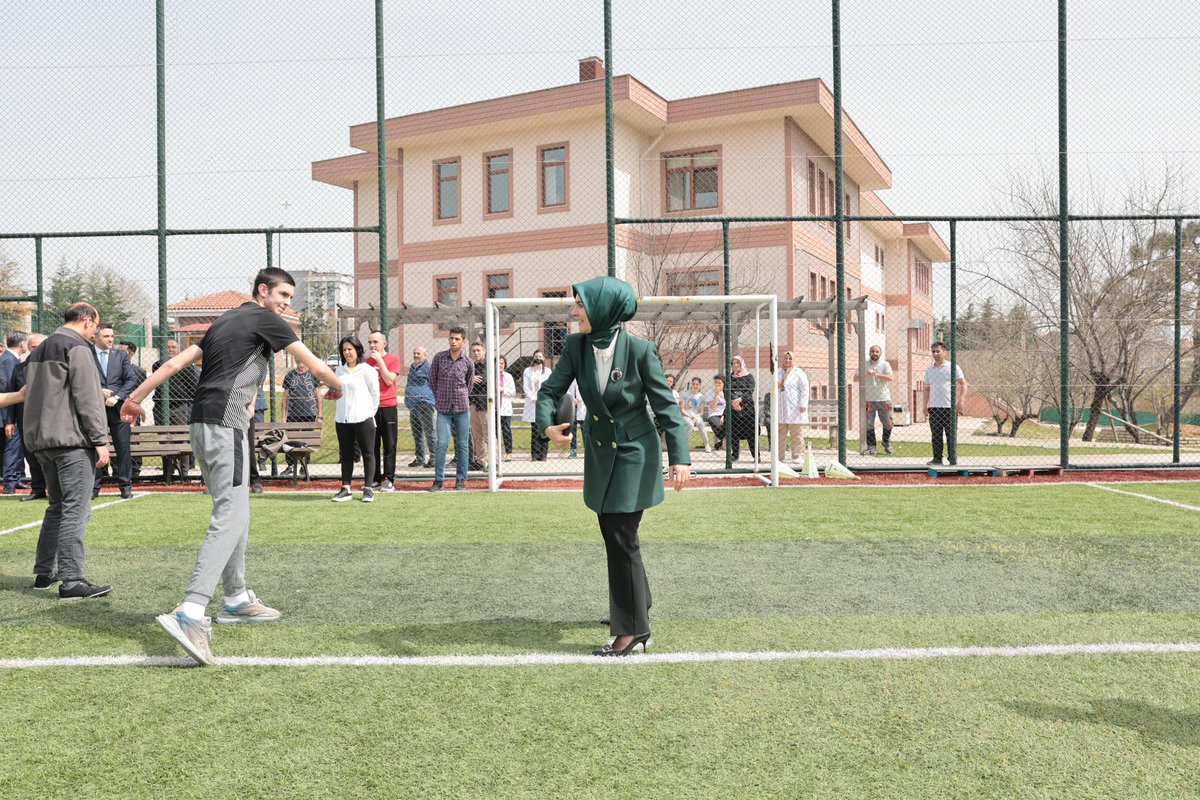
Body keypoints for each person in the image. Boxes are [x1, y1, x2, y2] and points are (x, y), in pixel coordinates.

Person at [122, 267, 341, 666]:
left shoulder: (223, 322)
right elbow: (315, 365)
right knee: (230, 513)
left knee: (236, 509)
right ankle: (191, 610)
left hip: (202, 424)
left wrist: (135, 398)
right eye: (283, 295)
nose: (287, 304)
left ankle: (236, 597)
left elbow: (170, 367)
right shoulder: (264, 319)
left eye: (290, 298)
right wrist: (339, 385)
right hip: (227, 424)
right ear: (262, 290)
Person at [537, 277, 690, 656]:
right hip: (603, 453)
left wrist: (681, 457)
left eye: (580, 305)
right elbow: (549, 391)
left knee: (621, 534)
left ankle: (634, 629)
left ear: (604, 307)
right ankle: (639, 600)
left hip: (636, 451)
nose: (574, 312)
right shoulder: (576, 346)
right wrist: (547, 426)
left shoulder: (640, 350)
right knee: (616, 533)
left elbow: (666, 407)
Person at [22, 303, 113, 598]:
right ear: (87, 321)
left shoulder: (40, 348)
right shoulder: (78, 348)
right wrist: (101, 440)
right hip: (71, 442)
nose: (96, 331)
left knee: (57, 508)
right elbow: (87, 399)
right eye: (96, 326)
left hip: (41, 441)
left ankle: (44, 573)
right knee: (76, 508)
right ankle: (72, 580)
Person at [328, 335, 380, 503]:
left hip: (363, 418)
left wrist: (369, 414)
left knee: (368, 453)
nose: (347, 352)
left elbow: (375, 395)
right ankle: (346, 488)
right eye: (344, 350)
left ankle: (368, 488)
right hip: (342, 420)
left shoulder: (367, 370)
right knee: (346, 454)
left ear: (358, 350)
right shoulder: (339, 370)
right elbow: (336, 392)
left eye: (350, 349)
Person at [92, 324, 137, 499]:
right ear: (96, 337)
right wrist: (97, 391)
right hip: (94, 409)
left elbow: (131, 379)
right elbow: (78, 378)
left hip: (118, 409)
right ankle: (94, 488)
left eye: (112, 336)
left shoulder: (120, 356)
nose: (110, 339)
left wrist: (117, 397)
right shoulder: (86, 355)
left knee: (123, 448)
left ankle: (125, 487)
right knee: (94, 448)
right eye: (106, 336)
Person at [427, 326, 473, 491]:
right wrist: (440, 397)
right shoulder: (439, 358)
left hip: (462, 408)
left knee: (462, 444)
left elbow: (469, 385)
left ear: (463, 341)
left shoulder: (468, 362)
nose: (453, 341)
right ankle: (439, 480)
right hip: (443, 409)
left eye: (457, 339)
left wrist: (460, 397)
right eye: (451, 338)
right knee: (442, 443)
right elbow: (432, 380)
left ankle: (461, 479)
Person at [11, 333, 48, 501]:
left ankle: (56, 491)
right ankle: (38, 490)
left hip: (50, 421)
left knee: (51, 457)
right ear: (28, 348)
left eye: (41, 346)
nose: (38, 350)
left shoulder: (55, 368)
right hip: (26, 421)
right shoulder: (19, 369)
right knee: (32, 458)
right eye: (34, 347)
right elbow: (12, 396)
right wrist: (10, 422)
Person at [365, 330, 400, 492]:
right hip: (371, 408)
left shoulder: (393, 359)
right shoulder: (366, 362)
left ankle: (388, 478)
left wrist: (380, 362)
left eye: (375, 342)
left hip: (388, 407)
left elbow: (389, 379)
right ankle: (375, 478)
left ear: (384, 343)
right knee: (373, 445)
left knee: (389, 444)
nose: (372, 345)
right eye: (370, 342)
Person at [924, 341, 967, 466]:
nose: (936, 354)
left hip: (949, 407)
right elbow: (926, 389)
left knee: (951, 435)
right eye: (933, 351)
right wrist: (924, 405)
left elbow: (963, 384)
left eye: (938, 351)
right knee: (936, 435)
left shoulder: (953, 367)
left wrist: (961, 401)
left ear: (944, 352)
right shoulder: (929, 370)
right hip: (934, 407)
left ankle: (952, 459)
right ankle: (937, 459)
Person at [1, 331, 30, 493]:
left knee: (17, 448)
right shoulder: (8, 360)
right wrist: (9, 420)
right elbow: (7, 388)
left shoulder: (11, 359)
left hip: (13, 411)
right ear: (22, 344)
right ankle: (10, 482)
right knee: (12, 447)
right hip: (9, 412)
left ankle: (16, 478)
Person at [151, 339, 200, 426]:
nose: (170, 350)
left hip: (179, 405)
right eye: (167, 347)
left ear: (178, 350)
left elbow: (192, 386)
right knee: (162, 433)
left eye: (173, 347)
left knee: (180, 435)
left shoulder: (185, 365)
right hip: (160, 405)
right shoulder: (156, 365)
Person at [118, 341, 148, 478]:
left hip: (131, 410)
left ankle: (135, 470)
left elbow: (142, 391)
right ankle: (116, 469)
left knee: (134, 438)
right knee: (116, 439)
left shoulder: (139, 371)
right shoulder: (113, 369)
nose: (119, 353)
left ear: (131, 353)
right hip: (116, 408)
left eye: (122, 351)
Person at [775, 351, 810, 463]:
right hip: (781, 407)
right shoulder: (777, 372)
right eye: (786, 358)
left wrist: (803, 404)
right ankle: (779, 457)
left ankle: (797, 455)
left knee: (796, 433)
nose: (788, 361)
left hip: (794, 407)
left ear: (793, 360)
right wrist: (777, 384)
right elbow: (768, 386)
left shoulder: (799, 373)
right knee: (780, 433)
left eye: (790, 359)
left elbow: (804, 389)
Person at [860, 344, 894, 455]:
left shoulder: (885, 364)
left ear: (880, 353)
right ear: (869, 353)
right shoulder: (864, 364)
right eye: (872, 351)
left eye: (877, 351)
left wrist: (876, 374)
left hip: (884, 399)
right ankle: (872, 447)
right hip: (869, 399)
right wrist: (866, 374)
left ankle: (886, 441)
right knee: (869, 424)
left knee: (888, 423)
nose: (874, 353)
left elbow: (890, 377)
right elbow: (855, 378)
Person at [404, 345, 435, 468]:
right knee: (417, 433)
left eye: (419, 354)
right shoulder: (413, 367)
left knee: (429, 432)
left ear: (425, 356)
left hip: (424, 404)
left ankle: (434, 458)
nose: (416, 355)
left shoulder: (428, 368)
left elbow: (434, 383)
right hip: (413, 405)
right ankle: (420, 458)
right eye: (415, 353)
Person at [522, 349, 552, 461]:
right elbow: (526, 387)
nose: (538, 358)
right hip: (532, 402)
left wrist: (542, 398)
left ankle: (543, 454)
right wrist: (533, 398)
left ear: (543, 359)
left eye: (540, 357)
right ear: (533, 358)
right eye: (536, 356)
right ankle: (535, 454)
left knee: (545, 428)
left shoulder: (548, 371)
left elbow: (550, 385)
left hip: (544, 402)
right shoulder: (528, 371)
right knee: (534, 429)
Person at [727, 355, 757, 461]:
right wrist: (734, 403)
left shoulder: (749, 377)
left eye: (737, 363)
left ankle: (756, 456)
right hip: (734, 409)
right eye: (733, 363)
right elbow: (726, 392)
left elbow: (749, 392)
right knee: (734, 433)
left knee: (751, 434)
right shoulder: (730, 377)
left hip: (747, 410)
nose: (735, 365)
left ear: (741, 364)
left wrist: (740, 400)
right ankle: (735, 455)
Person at [467, 341, 488, 470]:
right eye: (474, 351)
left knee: (488, 434)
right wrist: (471, 378)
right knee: (477, 435)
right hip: (472, 404)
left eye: (478, 350)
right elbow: (464, 379)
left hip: (485, 404)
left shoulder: (488, 365)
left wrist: (469, 379)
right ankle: (481, 461)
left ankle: (494, 461)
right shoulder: (470, 366)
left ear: (484, 351)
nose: (476, 353)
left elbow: (483, 380)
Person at [679, 376, 711, 452]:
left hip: (696, 416)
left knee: (701, 423)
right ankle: (685, 445)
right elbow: (682, 409)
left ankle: (707, 444)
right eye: (693, 384)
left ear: (699, 385)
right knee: (690, 424)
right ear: (691, 384)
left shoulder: (701, 397)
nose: (695, 386)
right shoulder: (685, 394)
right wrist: (690, 416)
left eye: (697, 384)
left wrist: (695, 416)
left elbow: (702, 412)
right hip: (686, 415)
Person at [496, 355, 515, 462]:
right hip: (493, 407)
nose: (500, 365)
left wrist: (503, 390)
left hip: (505, 407)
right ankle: (496, 453)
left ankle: (508, 453)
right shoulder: (491, 376)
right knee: (495, 431)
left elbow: (513, 392)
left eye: (502, 363)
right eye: (498, 363)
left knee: (506, 430)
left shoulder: (508, 376)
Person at [706, 374, 727, 451]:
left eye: (719, 383)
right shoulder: (710, 392)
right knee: (717, 426)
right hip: (713, 414)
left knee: (729, 424)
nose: (717, 384)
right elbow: (713, 407)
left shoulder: (726, 392)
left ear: (724, 384)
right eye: (716, 382)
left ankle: (720, 441)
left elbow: (728, 406)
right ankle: (722, 440)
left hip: (724, 414)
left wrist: (723, 416)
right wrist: (716, 394)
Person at [566, 378, 587, 457]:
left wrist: (578, 399)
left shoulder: (582, 375)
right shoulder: (569, 375)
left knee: (585, 430)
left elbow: (585, 388)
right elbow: (566, 388)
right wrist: (572, 399)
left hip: (582, 405)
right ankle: (573, 451)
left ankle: (587, 450)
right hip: (571, 405)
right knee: (572, 430)